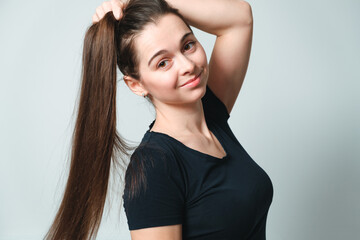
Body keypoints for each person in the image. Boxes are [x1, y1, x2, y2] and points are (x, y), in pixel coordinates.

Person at [44, 0, 273, 239]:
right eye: (163, 63)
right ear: (137, 84)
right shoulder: (155, 167)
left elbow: (240, 18)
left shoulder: (212, 115)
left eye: (188, 45)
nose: (188, 66)